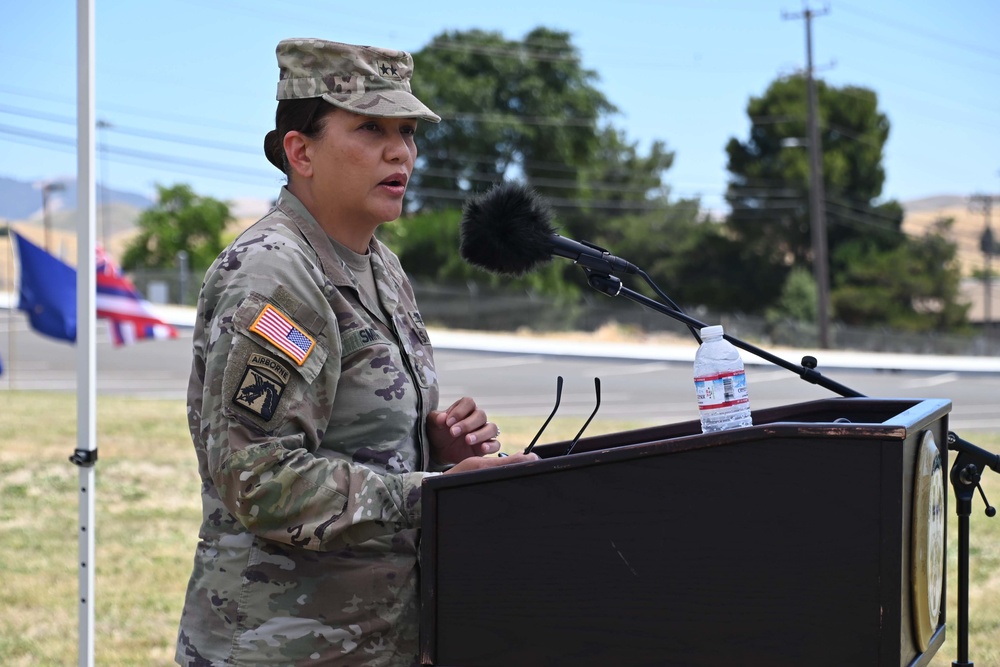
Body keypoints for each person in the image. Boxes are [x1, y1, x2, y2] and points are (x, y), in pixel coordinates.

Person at [175, 38, 536, 667]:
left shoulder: (380, 265)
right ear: (300, 151)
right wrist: (434, 491)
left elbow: (356, 445)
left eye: (407, 131)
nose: (400, 151)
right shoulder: (276, 274)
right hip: (280, 644)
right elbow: (258, 479)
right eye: (370, 128)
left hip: (375, 640)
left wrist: (436, 448)